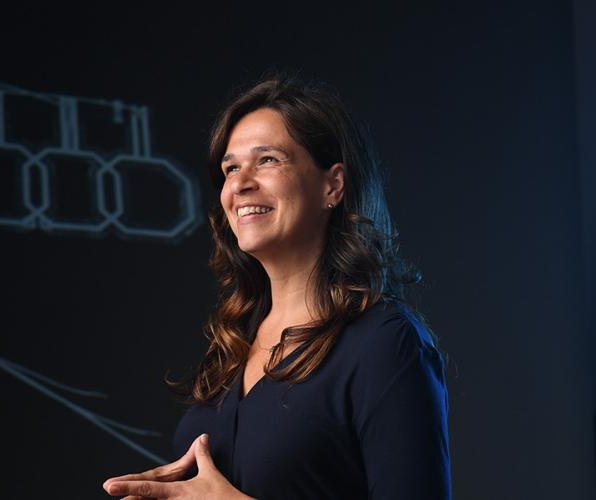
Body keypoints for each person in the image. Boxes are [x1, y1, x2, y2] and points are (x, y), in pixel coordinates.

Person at [103, 74, 451, 499]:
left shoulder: (384, 344)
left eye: (267, 160)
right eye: (231, 168)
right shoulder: (234, 346)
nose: (240, 183)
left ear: (333, 185)